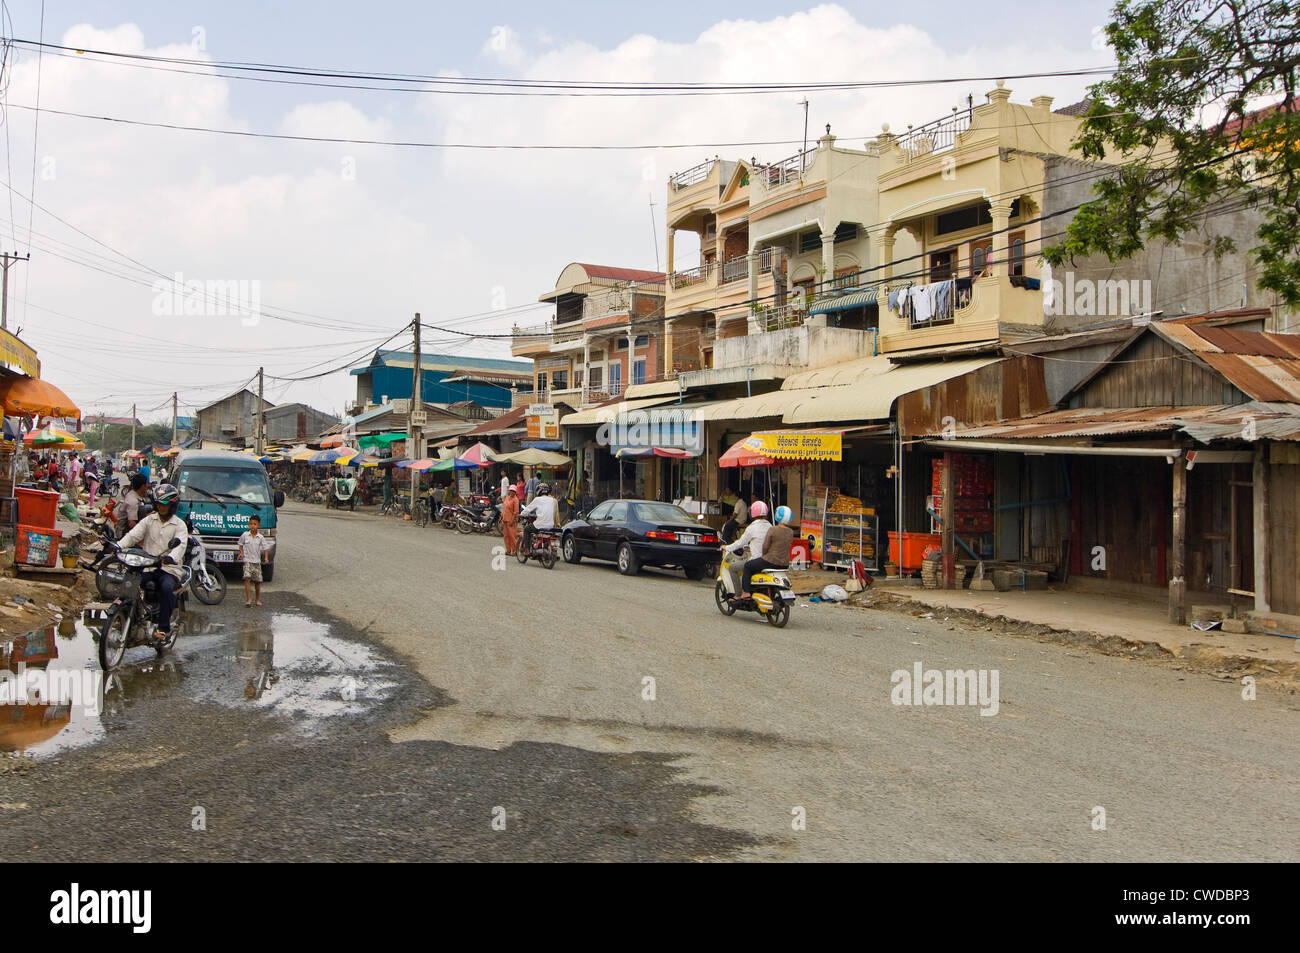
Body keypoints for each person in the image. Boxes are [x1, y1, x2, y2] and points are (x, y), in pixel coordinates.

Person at [118, 483, 187, 643]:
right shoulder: (149, 520)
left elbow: (181, 545)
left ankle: (163, 628)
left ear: (172, 505)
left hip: (169, 569)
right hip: (148, 566)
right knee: (129, 581)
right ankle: (128, 615)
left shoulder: (179, 525)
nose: (161, 508)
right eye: (159, 504)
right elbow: (133, 535)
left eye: (165, 505)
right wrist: (118, 545)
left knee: (166, 587)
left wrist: (171, 557)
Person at [725, 501, 786, 600]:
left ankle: (739, 594)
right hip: (769, 560)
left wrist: (727, 547)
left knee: (733, 568)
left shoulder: (752, 528)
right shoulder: (770, 526)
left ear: (752, 513)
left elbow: (740, 543)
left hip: (757, 560)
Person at [238, 514, 271, 607]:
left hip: (257, 562)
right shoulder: (245, 535)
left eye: (255, 524)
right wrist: (241, 553)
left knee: (257, 582)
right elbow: (240, 544)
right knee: (247, 579)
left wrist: (266, 557)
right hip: (247, 561)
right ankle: (248, 599)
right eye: (251, 524)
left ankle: (257, 599)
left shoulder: (260, 537)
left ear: (258, 525)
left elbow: (265, 548)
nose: (253, 526)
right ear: (249, 525)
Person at [518, 481, 556, 554]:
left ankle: (527, 549)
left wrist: (521, 514)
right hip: (551, 525)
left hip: (540, 525)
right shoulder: (552, 500)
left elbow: (528, 509)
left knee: (526, 529)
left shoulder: (537, 499)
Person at [119, 473, 149, 538]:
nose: (147, 486)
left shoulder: (133, 494)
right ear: (142, 486)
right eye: (146, 484)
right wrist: (144, 533)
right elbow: (131, 523)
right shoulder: (133, 501)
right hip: (125, 532)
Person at [501, 484, 521, 555]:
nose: (512, 492)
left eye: (513, 491)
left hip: (511, 521)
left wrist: (512, 521)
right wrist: (501, 518)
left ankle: (515, 550)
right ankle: (508, 550)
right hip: (505, 519)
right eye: (511, 491)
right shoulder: (507, 498)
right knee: (506, 536)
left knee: (513, 536)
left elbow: (516, 512)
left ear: (515, 492)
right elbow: (504, 508)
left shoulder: (516, 500)